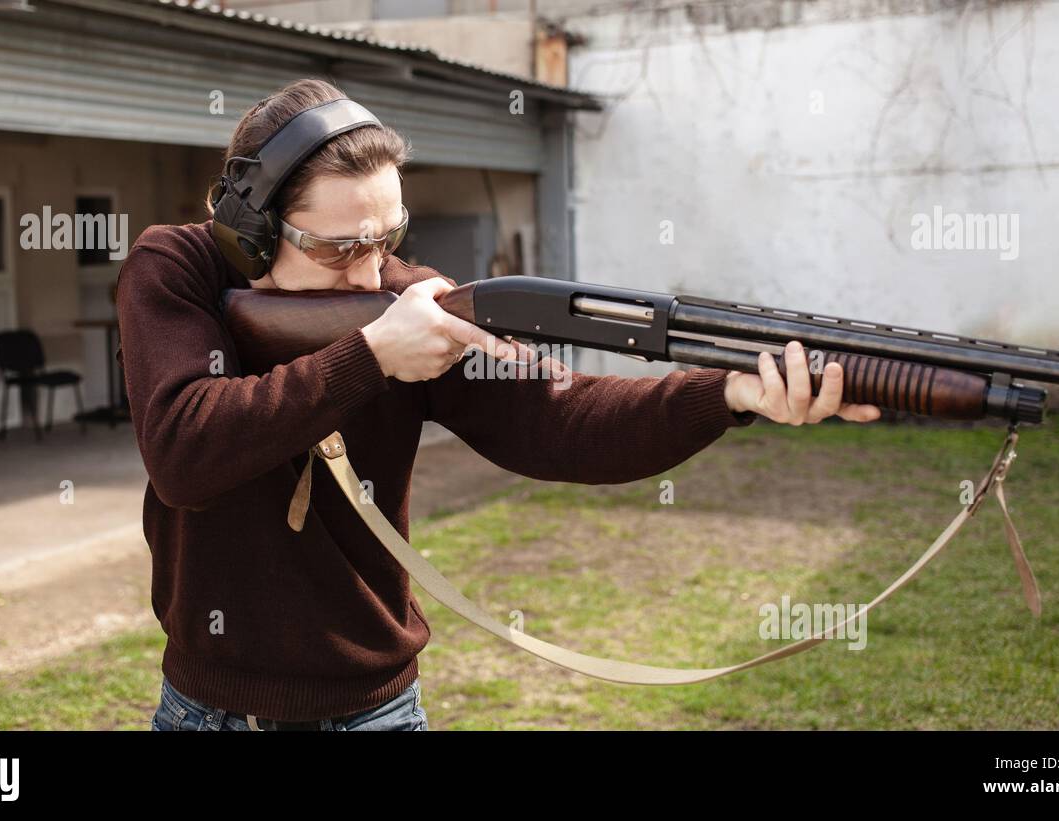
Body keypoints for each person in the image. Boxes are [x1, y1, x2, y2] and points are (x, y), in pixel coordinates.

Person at [117, 78, 880, 732]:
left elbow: (565, 423)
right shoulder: (175, 269)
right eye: (339, 248)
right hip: (207, 708)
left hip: (372, 707)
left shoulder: (412, 299)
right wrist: (373, 355)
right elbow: (184, 450)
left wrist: (728, 391)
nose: (370, 274)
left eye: (386, 240)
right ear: (249, 233)